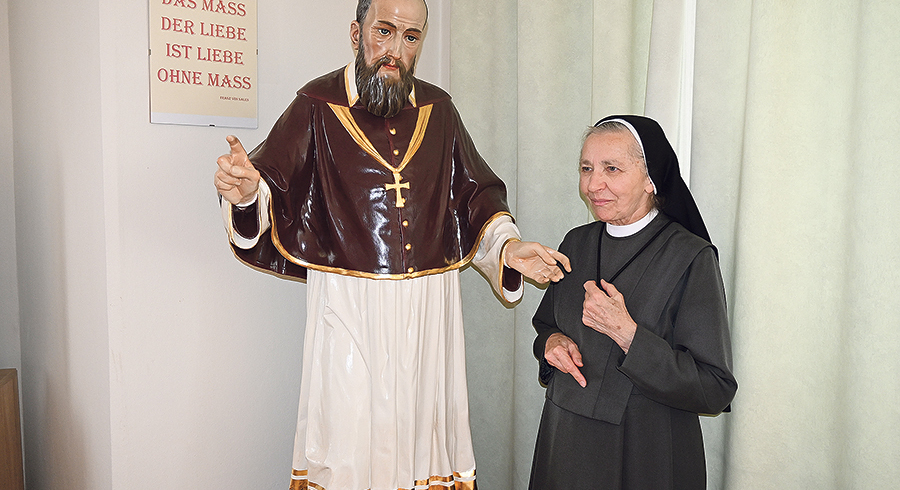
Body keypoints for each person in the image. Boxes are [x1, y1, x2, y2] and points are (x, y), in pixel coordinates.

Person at [213, 0, 570, 488]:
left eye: (411, 36)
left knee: (424, 435)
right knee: (347, 441)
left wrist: (507, 249)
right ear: (356, 33)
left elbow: (474, 198)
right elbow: (268, 184)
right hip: (348, 305)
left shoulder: (438, 110)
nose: (396, 50)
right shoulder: (316, 105)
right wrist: (246, 194)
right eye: (384, 31)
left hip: (428, 309)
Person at [528, 115, 737, 489]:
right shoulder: (576, 242)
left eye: (612, 169)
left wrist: (628, 335)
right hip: (566, 444)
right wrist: (551, 343)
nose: (593, 184)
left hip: (645, 452)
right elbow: (546, 325)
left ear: (650, 179)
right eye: (587, 168)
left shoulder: (690, 256)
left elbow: (714, 387)